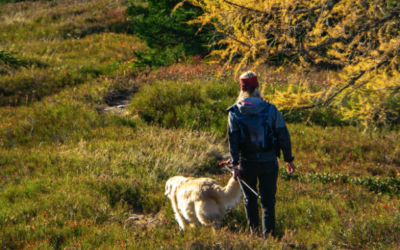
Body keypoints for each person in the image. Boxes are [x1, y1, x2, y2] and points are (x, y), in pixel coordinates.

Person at [225, 71, 296, 237]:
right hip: (268, 162)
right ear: (257, 87)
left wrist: (234, 165)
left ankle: (254, 236)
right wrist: (289, 160)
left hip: (246, 164)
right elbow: (283, 135)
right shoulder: (271, 109)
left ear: (242, 89)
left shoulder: (234, 112)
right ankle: (269, 239)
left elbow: (233, 140)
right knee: (268, 202)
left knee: (249, 200)